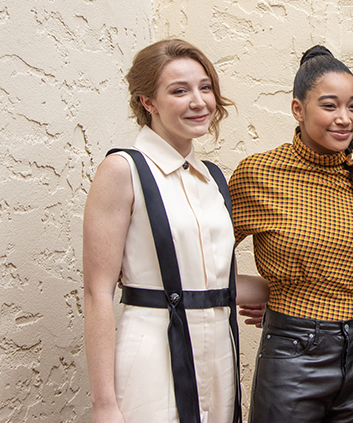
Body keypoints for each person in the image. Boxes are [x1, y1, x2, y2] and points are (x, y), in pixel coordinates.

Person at [83, 39, 268, 423]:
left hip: (220, 353)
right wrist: (104, 405)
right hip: (152, 352)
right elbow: (97, 292)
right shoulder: (123, 170)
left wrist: (287, 295)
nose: (199, 101)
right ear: (147, 102)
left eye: (205, 87)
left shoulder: (213, 178)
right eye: (179, 90)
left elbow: (221, 281)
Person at [228, 45, 353, 423]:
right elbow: (202, 257)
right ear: (298, 109)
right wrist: (273, 289)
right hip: (293, 354)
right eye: (330, 106)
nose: (345, 118)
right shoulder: (258, 174)